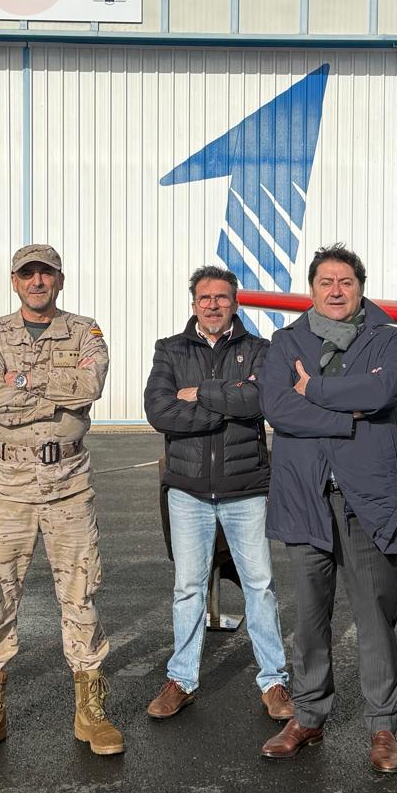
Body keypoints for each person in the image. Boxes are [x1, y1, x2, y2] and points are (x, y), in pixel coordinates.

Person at [0, 244, 122, 758]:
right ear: (14, 282)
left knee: (79, 592)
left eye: (46, 273)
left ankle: (89, 709)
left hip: (68, 480)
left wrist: (23, 379)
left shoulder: (84, 329)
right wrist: (54, 389)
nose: (37, 282)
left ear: (60, 280)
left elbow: (90, 386)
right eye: (28, 274)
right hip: (9, 485)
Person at [258, 244, 397, 772]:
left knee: (374, 615)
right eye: (326, 282)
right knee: (309, 616)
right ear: (312, 289)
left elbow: (387, 387)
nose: (336, 291)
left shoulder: (387, 337)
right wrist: (347, 415)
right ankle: (307, 715)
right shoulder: (286, 341)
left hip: (365, 498)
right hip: (305, 496)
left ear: (360, 286)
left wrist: (316, 389)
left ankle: (383, 726)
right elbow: (278, 406)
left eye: (346, 281)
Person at [142, 265, 292, 721]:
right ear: (194, 304)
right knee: (188, 588)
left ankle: (274, 681)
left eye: (222, 298)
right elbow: (159, 411)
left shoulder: (261, 350)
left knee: (260, 586)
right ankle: (182, 679)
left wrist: (201, 393)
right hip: (187, 491)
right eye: (205, 298)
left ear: (235, 303)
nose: (213, 305)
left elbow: (260, 400)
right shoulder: (169, 350)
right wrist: (223, 407)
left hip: (245, 490)